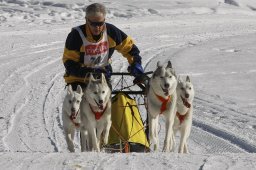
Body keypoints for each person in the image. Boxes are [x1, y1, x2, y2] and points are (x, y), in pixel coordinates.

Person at [62, 3, 145, 90]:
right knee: (79, 101)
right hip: (78, 80)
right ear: (86, 20)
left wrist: (136, 63)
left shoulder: (111, 32)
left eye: (100, 23)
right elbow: (69, 63)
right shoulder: (76, 35)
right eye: (93, 24)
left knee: (102, 102)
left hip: (102, 77)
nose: (97, 27)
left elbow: (130, 49)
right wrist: (90, 73)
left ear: (104, 20)